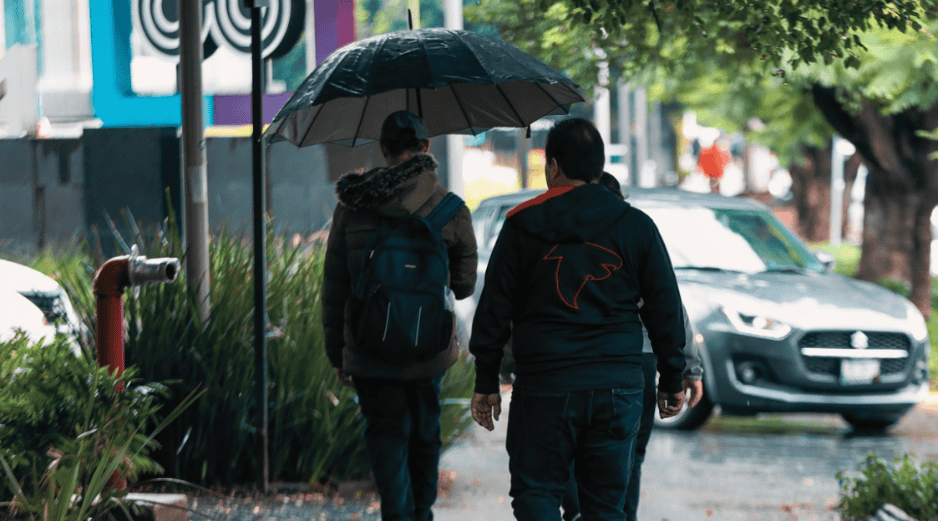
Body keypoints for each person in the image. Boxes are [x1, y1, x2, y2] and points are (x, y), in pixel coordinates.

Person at [468, 118, 687, 521]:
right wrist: (673, 378)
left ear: (552, 166)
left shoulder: (522, 223)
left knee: (537, 493)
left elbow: (495, 307)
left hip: (545, 385)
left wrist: (486, 380)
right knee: (605, 506)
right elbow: (664, 308)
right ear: (599, 167)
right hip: (617, 387)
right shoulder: (636, 225)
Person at [321, 110, 478, 521]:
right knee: (426, 434)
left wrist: (337, 353)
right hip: (429, 350)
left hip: (370, 349)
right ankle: (421, 512)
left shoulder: (352, 209)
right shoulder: (451, 210)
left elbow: (334, 288)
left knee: (385, 434)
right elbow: (463, 287)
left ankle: (396, 512)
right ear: (426, 149)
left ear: (384, 150)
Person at [559, 173, 705, 521]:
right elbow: (669, 306)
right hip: (635, 359)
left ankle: (580, 510)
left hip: (573, 360)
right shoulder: (638, 234)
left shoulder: (562, 235)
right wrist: (688, 369)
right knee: (629, 454)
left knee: (569, 447)